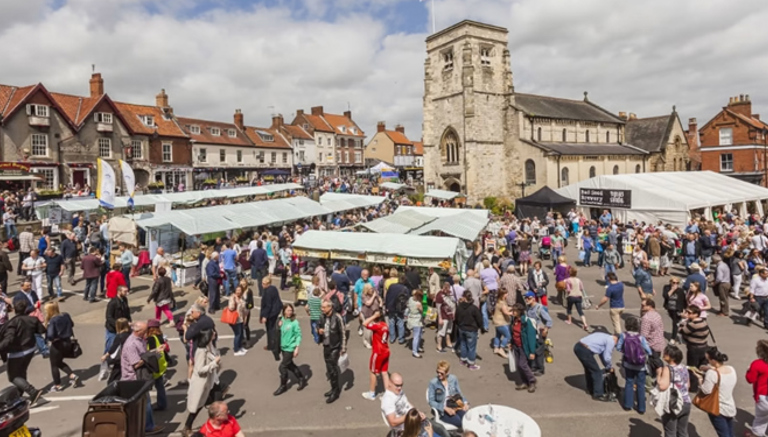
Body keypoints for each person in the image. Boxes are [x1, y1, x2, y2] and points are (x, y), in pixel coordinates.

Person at [120, 321, 164, 435]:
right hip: (133, 379)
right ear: (138, 331)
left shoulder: (140, 340)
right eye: (145, 331)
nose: (147, 333)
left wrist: (155, 351)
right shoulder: (131, 344)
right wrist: (152, 356)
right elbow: (136, 363)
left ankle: (141, 425)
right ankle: (148, 427)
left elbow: (144, 354)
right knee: (145, 403)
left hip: (139, 377)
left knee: (142, 403)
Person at [0, 299, 44, 405]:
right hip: (30, 350)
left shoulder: (12, 323)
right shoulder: (32, 319)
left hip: (17, 352)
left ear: (14, 309)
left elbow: (8, 339)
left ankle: (32, 392)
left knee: (13, 376)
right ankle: (19, 394)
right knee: (21, 371)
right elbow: (42, 330)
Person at [696, 347, 737, 437]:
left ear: (713, 360)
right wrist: (709, 368)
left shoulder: (712, 374)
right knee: (730, 432)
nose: (708, 362)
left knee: (724, 434)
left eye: (708, 359)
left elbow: (706, 390)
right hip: (730, 407)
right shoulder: (731, 369)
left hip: (718, 408)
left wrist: (700, 379)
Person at [616, 316, 652, 414]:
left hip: (628, 363)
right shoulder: (641, 337)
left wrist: (626, 351)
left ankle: (628, 405)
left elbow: (618, 348)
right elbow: (649, 350)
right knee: (640, 385)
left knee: (629, 382)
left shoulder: (623, 336)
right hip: (640, 365)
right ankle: (641, 408)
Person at [655, 344, 692, 437]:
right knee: (683, 431)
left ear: (671, 357)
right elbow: (688, 385)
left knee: (670, 431)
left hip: (673, 403)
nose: (664, 354)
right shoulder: (684, 367)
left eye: (666, 353)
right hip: (686, 402)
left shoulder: (667, 369)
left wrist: (659, 374)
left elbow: (662, 386)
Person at [44, 301, 80, 392]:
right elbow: (71, 324)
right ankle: (72, 375)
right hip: (67, 342)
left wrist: (49, 338)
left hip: (57, 344)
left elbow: (51, 335)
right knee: (59, 362)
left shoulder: (52, 321)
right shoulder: (65, 315)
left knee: (54, 365)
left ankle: (57, 385)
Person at [573, 331, 618, 402]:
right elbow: (607, 357)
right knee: (597, 372)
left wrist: (607, 366)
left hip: (578, 346)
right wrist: (609, 367)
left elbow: (602, 355)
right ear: (616, 340)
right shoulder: (611, 341)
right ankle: (598, 394)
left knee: (589, 369)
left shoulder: (605, 336)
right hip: (585, 350)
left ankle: (590, 388)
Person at [273, 303, 306, 395]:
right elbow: (277, 332)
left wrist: (296, 348)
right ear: (283, 311)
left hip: (290, 348)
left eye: (291, 310)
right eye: (288, 310)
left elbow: (298, 335)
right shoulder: (281, 320)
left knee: (282, 367)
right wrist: (278, 326)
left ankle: (283, 386)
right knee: (290, 365)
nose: (289, 312)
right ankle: (301, 378)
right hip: (283, 347)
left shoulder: (294, 322)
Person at [100, 285, 132, 380]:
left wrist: (128, 321)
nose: (127, 293)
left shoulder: (124, 300)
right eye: (125, 291)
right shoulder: (112, 303)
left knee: (121, 346)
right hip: (113, 329)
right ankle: (106, 363)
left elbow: (127, 312)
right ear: (119, 291)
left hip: (123, 327)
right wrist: (117, 325)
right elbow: (109, 317)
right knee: (111, 346)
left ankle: (118, 362)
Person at [427, 360, 469, 429]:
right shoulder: (433, 383)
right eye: (438, 372)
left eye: (442, 373)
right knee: (459, 422)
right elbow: (431, 401)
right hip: (442, 409)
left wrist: (465, 402)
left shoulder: (453, 379)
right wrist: (444, 408)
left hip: (454, 404)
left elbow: (459, 392)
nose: (439, 375)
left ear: (447, 373)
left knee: (466, 418)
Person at [318, 300, 346, 403]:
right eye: (322, 307)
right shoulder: (322, 317)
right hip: (326, 345)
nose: (322, 309)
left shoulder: (337, 317)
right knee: (329, 368)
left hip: (335, 347)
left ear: (330, 307)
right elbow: (318, 326)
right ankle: (333, 388)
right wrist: (319, 330)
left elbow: (343, 333)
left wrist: (343, 348)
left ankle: (336, 392)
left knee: (333, 369)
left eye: (324, 307)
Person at [362, 310, 390, 401]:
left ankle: (372, 393)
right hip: (386, 350)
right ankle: (388, 394)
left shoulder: (377, 326)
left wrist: (373, 316)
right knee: (384, 372)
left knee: (373, 372)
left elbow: (365, 323)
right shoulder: (385, 325)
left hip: (378, 352)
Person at [510, 303, 537, 393]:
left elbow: (531, 337)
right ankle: (524, 382)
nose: (512, 312)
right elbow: (513, 333)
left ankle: (532, 381)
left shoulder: (526, 322)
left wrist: (532, 352)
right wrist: (511, 342)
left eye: (514, 311)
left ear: (519, 312)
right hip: (516, 345)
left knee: (523, 364)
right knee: (518, 365)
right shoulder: (514, 320)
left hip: (523, 346)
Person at [455, 290, 482, 370]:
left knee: (463, 344)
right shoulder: (473, 308)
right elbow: (479, 319)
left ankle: (463, 359)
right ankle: (471, 363)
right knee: (471, 347)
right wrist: (481, 327)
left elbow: (456, 317)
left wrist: (458, 324)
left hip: (461, 328)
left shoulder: (459, 307)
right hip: (471, 329)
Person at [746, 340, 768, 437]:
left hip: (762, 396)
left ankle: (755, 435)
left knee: (760, 419)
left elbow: (751, 379)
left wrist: (748, 371)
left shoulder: (757, 364)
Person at [146, 319, 169, 411]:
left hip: (154, 364)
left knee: (155, 385)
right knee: (160, 386)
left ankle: (158, 404)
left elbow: (151, 351)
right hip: (161, 363)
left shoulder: (151, 338)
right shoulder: (160, 335)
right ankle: (162, 403)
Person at [102, 318, 131, 383]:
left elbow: (113, 347)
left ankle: (113, 390)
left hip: (121, 359)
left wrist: (106, 355)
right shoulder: (130, 333)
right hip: (129, 357)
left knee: (113, 379)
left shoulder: (119, 336)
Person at [261, 276, 283, 361]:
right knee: (273, 328)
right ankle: (273, 344)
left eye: (264, 283)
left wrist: (265, 316)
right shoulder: (273, 288)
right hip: (276, 310)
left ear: (268, 283)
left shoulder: (267, 292)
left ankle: (272, 345)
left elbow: (268, 305)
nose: (262, 285)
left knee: (270, 329)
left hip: (271, 313)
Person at [385, 275, 409, 344]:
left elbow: (387, 297)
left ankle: (392, 338)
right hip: (400, 308)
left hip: (391, 306)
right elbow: (407, 299)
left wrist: (386, 306)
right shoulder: (405, 288)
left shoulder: (391, 286)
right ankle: (401, 339)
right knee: (400, 322)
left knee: (391, 322)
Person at [663, 278, 686, 345]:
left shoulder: (680, 290)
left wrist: (683, 310)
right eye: (673, 282)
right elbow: (665, 296)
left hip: (677, 310)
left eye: (677, 283)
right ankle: (681, 332)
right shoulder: (666, 288)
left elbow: (683, 301)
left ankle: (673, 338)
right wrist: (672, 290)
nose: (675, 284)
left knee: (675, 323)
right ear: (670, 282)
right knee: (677, 323)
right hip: (670, 309)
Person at [435, 282, 456, 353]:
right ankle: (439, 346)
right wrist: (440, 318)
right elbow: (438, 308)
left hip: (450, 315)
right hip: (443, 316)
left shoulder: (450, 294)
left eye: (448, 288)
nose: (448, 290)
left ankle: (448, 343)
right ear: (443, 287)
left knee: (448, 330)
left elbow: (453, 303)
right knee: (441, 331)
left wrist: (454, 314)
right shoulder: (439, 295)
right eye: (446, 288)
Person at [226, 286, 248, 357]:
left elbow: (244, 308)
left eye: (240, 290)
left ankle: (240, 347)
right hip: (235, 320)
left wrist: (245, 318)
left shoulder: (241, 298)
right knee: (237, 334)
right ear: (235, 290)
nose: (238, 291)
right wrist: (234, 301)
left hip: (241, 319)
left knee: (241, 334)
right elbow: (231, 308)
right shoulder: (233, 298)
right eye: (237, 290)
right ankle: (236, 350)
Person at [492, 289, 513, 358]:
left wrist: (511, 308)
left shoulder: (499, 301)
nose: (507, 295)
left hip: (496, 321)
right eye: (506, 294)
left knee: (498, 335)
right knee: (508, 336)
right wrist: (513, 313)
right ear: (503, 295)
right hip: (502, 322)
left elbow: (505, 308)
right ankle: (502, 348)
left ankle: (496, 348)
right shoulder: (502, 303)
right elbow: (506, 312)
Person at [407, 289, 425, 359]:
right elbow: (422, 311)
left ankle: (417, 347)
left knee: (418, 335)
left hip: (411, 319)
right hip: (417, 321)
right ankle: (415, 351)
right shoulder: (418, 304)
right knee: (417, 336)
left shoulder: (410, 299)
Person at [306, 280, 323, 344]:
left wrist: (308, 312)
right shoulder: (319, 300)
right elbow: (321, 308)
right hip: (318, 316)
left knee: (313, 326)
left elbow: (306, 307)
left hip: (312, 315)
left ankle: (315, 336)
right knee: (318, 327)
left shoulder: (310, 300)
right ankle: (318, 337)